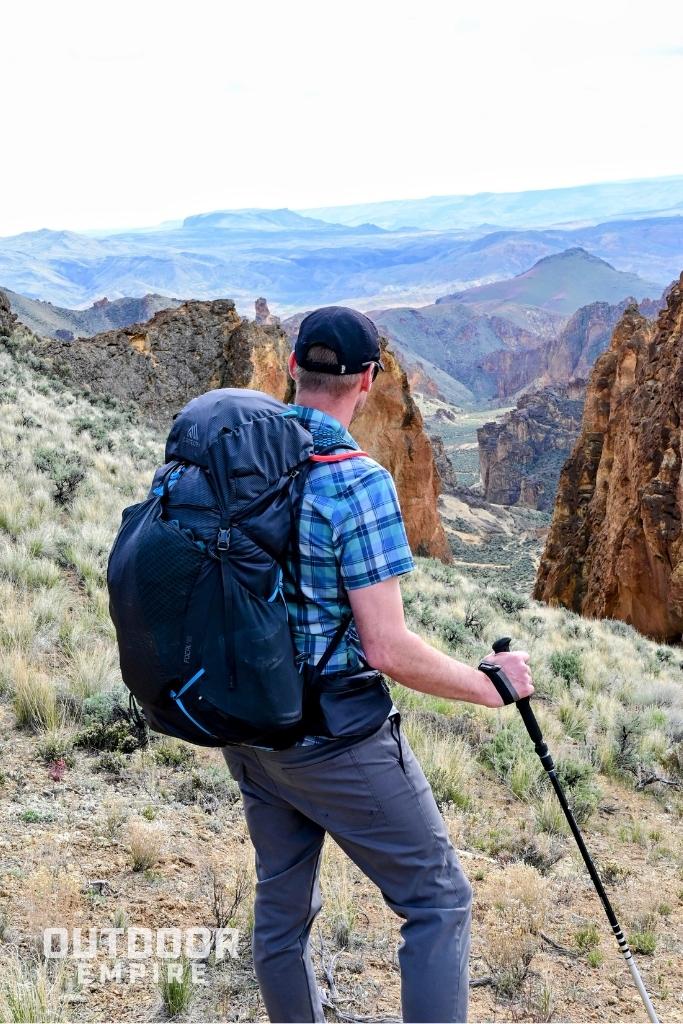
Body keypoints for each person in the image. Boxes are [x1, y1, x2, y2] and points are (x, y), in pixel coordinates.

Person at [222, 305, 534, 1023]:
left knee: (282, 905)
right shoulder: (354, 482)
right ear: (368, 380)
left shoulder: (237, 459)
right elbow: (386, 649)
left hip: (246, 721)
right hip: (332, 738)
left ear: (293, 368)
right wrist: (490, 688)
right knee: (436, 901)